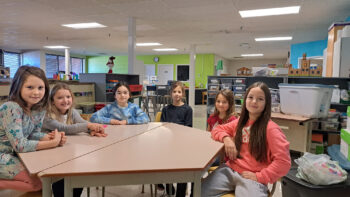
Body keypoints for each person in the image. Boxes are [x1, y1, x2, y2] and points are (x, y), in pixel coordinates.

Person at [201, 82, 291, 197]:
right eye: (250, 97)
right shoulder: (239, 122)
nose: (254, 101)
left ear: (266, 103)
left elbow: (283, 162)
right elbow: (217, 130)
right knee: (199, 192)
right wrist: (227, 139)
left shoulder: (271, 129)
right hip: (230, 170)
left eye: (260, 99)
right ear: (245, 100)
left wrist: (260, 176)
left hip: (252, 177)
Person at [0, 66, 65, 192]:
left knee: (46, 175)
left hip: (15, 154)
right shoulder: (11, 108)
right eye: (30, 87)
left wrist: (49, 137)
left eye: (40, 88)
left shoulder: (38, 109)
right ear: (18, 87)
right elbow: (20, 145)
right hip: (4, 155)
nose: (36, 92)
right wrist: (52, 143)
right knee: (38, 184)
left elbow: (32, 134)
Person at [42, 82, 107, 197]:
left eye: (68, 97)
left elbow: (83, 123)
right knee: (60, 182)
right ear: (52, 101)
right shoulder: (47, 116)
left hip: (69, 152)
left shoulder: (72, 111)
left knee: (77, 176)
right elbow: (64, 128)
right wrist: (88, 126)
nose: (65, 100)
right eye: (60, 97)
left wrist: (92, 130)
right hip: (52, 157)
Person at [159, 81, 193, 197]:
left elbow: (188, 128)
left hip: (182, 145)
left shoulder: (188, 109)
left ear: (183, 94)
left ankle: (180, 193)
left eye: (179, 92)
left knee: (182, 168)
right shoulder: (166, 110)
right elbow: (162, 127)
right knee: (166, 166)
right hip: (168, 144)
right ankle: (168, 187)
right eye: (174, 92)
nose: (177, 94)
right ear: (170, 93)